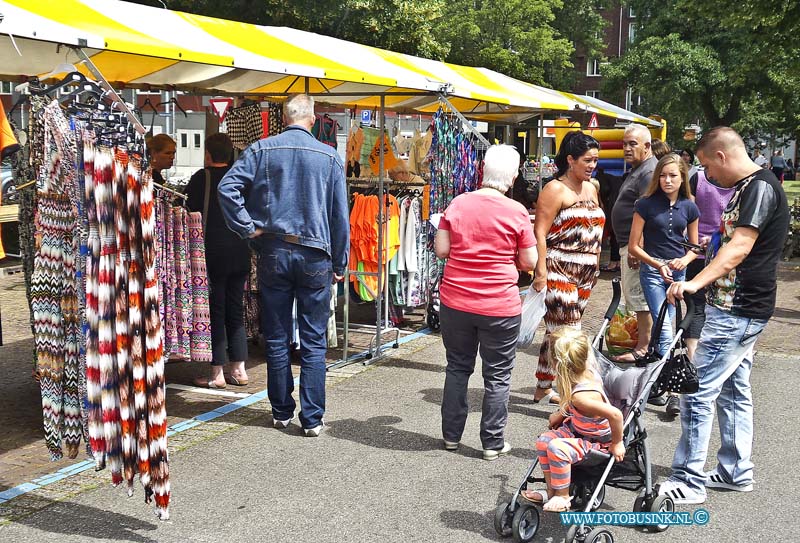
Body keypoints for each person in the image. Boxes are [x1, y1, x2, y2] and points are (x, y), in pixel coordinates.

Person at [660, 127, 790, 504]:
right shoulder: (746, 189)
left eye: (706, 167)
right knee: (733, 392)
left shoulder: (761, 188)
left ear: (720, 156)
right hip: (740, 307)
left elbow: (740, 246)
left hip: (739, 309)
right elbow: (721, 240)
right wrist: (691, 256)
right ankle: (735, 471)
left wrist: (694, 283)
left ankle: (688, 481)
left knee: (697, 391)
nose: (707, 177)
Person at [217, 94, 349, 437]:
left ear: (283, 116)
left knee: (277, 337)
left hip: (274, 251)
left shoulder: (262, 150)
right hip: (316, 255)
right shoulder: (329, 156)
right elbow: (339, 215)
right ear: (313, 117)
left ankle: (280, 410)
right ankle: (313, 417)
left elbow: (227, 187)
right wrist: (341, 260)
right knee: (313, 340)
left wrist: (248, 227)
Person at [436, 144, 538, 460]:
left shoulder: (457, 204)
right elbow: (529, 261)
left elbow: (441, 249)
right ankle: (492, 442)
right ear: (513, 176)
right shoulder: (518, 212)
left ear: (482, 170)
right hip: (499, 305)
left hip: (456, 301)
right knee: (498, 376)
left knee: (457, 367)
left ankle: (451, 437)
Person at [531, 131, 605, 406]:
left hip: (585, 271)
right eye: (587, 160)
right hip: (558, 266)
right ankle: (573, 395)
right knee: (570, 334)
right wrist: (540, 273)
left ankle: (542, 385)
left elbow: (597, 228)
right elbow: (539, 232)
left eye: (595, 160)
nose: (592, 166)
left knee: (556, 333)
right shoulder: (554, 189)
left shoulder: (593, 187)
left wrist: (596, 261)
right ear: (570, 159)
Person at [519, 327, 625, 512]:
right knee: (544, 441)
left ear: (557, 365)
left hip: (594, 442)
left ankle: (563, 494)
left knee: (556, 448)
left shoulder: (582, 396)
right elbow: (572, 404)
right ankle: (551, 491)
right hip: (577, 429)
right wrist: (560, 414)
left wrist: (617, 442)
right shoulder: (587, 371)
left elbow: (615, 414)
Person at [628, 154, 700, 417]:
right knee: (666, 327)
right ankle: (667, 387)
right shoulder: (645, 204)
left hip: (676, 274)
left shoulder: (689, 206)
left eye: (673, 176)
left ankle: (660, 383)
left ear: (682, 178)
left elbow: (695, 248)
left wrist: (684, 259)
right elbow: (635, 245)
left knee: (668, 326)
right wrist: (658, 264)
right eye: (663, 175)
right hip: (653, 271)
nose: (667, 180)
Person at [185, 133, 251, 389]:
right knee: (236, 309)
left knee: (216, 310)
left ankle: (217, 373)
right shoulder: (241, 179)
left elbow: (190, 211)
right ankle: (240, 369)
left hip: (213, 251)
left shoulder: (202, 178)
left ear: (208, 154)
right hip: (240, 250)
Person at [609, 124, 657, 365]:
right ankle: (643, 343)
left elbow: (649, 213)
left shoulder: (648, 172)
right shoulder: (640, 169)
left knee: (639, 297)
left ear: (647, 146)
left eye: (632, 144)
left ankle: (644, 347)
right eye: (624, 144)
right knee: (635, 297)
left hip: (636, 246)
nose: (626, 148)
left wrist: (637, 247)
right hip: (630, 244)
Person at [684, 169, 734, 361]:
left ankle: (692, 357)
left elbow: (689, 211)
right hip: (724, 254)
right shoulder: (741, 182)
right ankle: (714, 355)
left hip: (698, 251)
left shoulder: (699, 178)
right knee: (717, 305)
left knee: (695, 305)